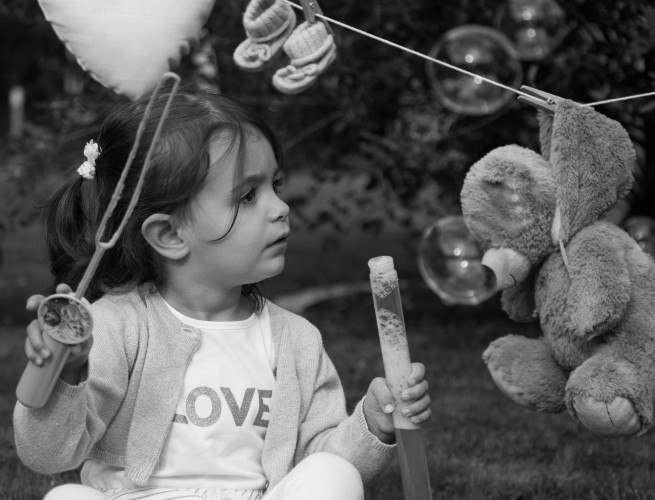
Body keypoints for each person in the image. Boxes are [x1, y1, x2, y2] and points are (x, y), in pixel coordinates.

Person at [13, 88, 431, 500]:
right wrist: (64, 374)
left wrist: (370, 427)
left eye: (276, 185)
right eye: (248, 195)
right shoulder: (115, 325)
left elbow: (314, 465)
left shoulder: (296, 340)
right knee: (66, 497)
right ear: (170, 234)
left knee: (332, 472)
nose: (280, 207)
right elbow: (48, 455)